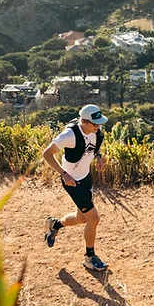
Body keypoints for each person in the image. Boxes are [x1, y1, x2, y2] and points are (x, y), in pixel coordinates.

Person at [42, 104, 109, 271]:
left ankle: (54, 225)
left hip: (85, 178)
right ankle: (90, 257)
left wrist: (99, 158)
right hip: (72, 182)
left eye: (100, 123)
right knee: (94, 219)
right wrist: (64, 174)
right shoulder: (69, 135)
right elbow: (47, 154)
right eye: (95, 124)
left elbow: (95, 149)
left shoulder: (96, 133)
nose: (98, 127)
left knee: (82, 218)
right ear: (84, 122)